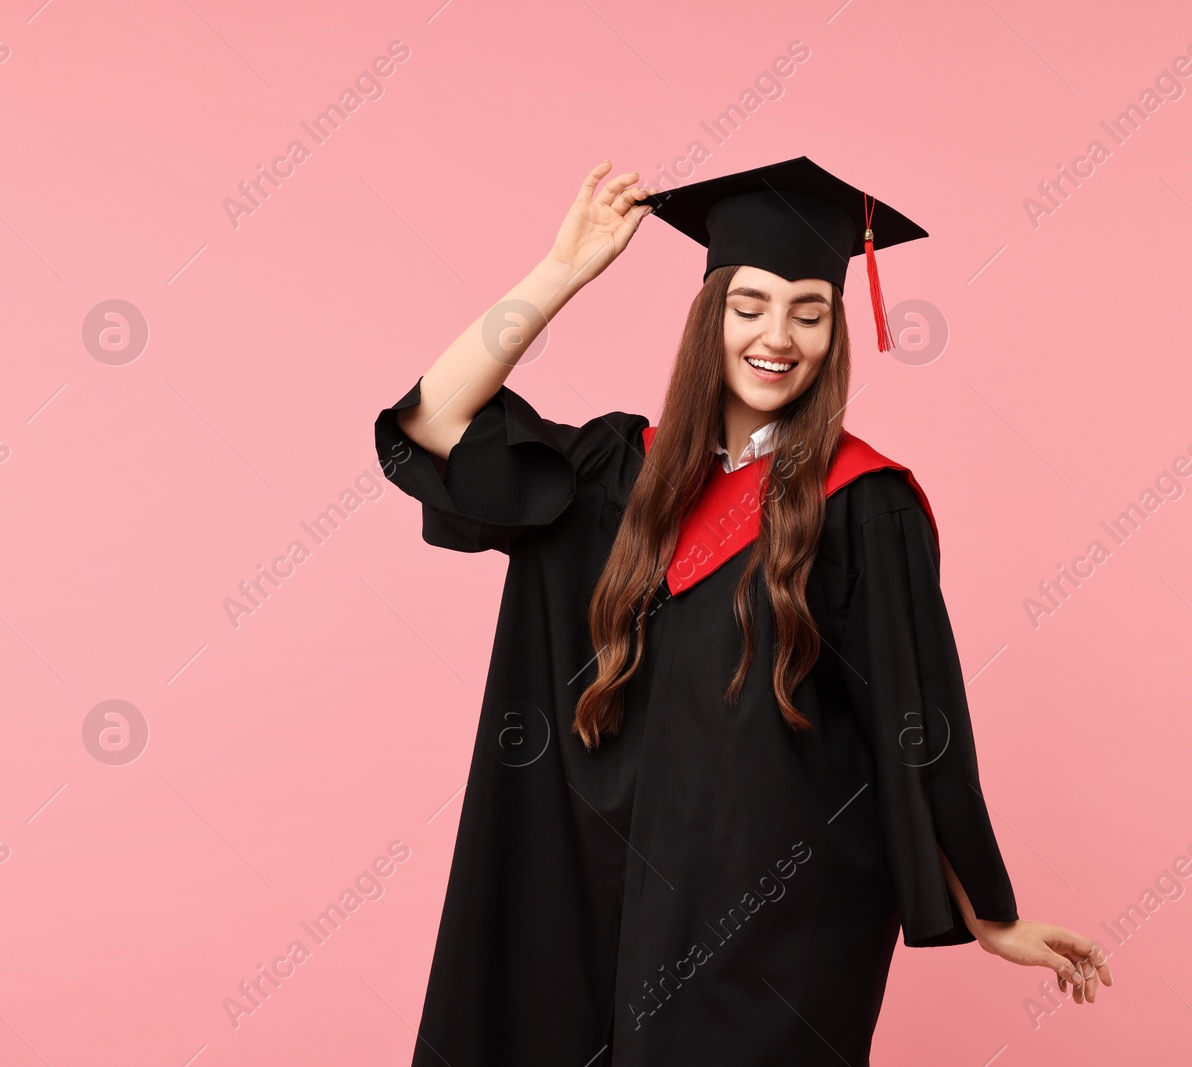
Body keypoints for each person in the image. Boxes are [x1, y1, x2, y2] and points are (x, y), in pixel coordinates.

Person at [374, 157, 1113, 1067]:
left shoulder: (863, 505)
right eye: (751, 304)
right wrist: (560, 273)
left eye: (811, 311)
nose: (779, 336)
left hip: (774, 940)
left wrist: (988, 913)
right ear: (709, 316)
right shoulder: (617, 477)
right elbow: (434, 421)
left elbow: (916, 720)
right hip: (595, 903)